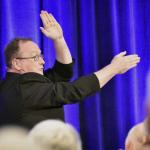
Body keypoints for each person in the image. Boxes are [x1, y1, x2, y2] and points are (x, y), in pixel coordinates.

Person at [0, 10, 140, 129]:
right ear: (17, 64)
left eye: (41, 55)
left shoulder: (19, 85)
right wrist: (113, 68)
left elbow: (63, 72)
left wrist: (59, 39)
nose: (42, 61)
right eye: (35, 57)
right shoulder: (22, 89)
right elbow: (72, 91)